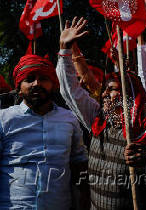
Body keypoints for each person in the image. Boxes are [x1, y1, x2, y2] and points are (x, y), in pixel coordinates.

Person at [56, 17, 146, 210]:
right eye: (106, 90)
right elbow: (69, 91)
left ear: (131, 95)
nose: (106, 95)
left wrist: (145, 160)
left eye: (114, 89)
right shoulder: (97, 118)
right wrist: (64, 50)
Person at [0, 54, 88, 209]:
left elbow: (79, 162)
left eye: (43, 79)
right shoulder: (4, 118)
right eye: (30, 79)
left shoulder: (69, 119)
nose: (36, 83)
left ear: (53, 85)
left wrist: (83, 199)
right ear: (18, 88)